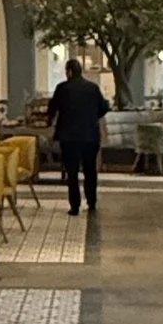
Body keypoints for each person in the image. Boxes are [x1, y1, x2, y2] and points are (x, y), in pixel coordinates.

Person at [47, 60, 111, 216]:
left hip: (69, 137)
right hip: (90, 135)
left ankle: (74, 206)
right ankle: (92, 202)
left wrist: (49, 121)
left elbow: (52, 109)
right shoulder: (92, 88)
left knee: (72, 172)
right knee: (90, 171)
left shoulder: (62, 88)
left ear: (69, 71)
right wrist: (91, 117)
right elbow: (104, 107)